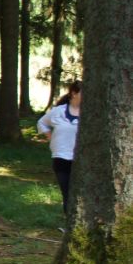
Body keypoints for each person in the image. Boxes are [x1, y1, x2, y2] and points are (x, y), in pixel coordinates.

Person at [37, 80, 82, 215]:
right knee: (67, 192)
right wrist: (50, 136)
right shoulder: (58, 111)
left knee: (81, 192)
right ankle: (70, 221)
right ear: (74, 93)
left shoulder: (89, 114)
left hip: (81, 159)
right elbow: (41, 122)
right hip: (61, 157)